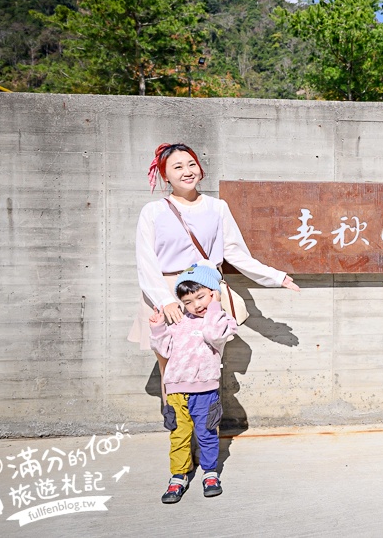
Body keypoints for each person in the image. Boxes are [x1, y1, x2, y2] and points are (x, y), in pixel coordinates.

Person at [129, 142, 300, 401]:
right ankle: (177, 424)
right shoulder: (153, 211)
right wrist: (164, 302)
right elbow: (146, 261)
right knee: (170, 365)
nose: (187, 171)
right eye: (177, 167)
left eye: (191, 164)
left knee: (207, 363)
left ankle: (207, 427)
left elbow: (234, 252)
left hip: (206, 293)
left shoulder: (217, 207)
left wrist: (276, 277)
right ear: (165, 174)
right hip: (165, 292)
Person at [151, 261, 234, 502]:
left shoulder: (223, 321)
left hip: (205, 392)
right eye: (188, 301)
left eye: (201, 297)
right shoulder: (178, 322)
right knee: (179, 436)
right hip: (177, 392)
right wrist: (157, 328)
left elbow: (213, 335)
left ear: (213, 292)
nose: (196, 305)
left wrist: (216, 305)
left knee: (207, 434)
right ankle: (178, 476)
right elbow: (164, 349)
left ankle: (210, 473)